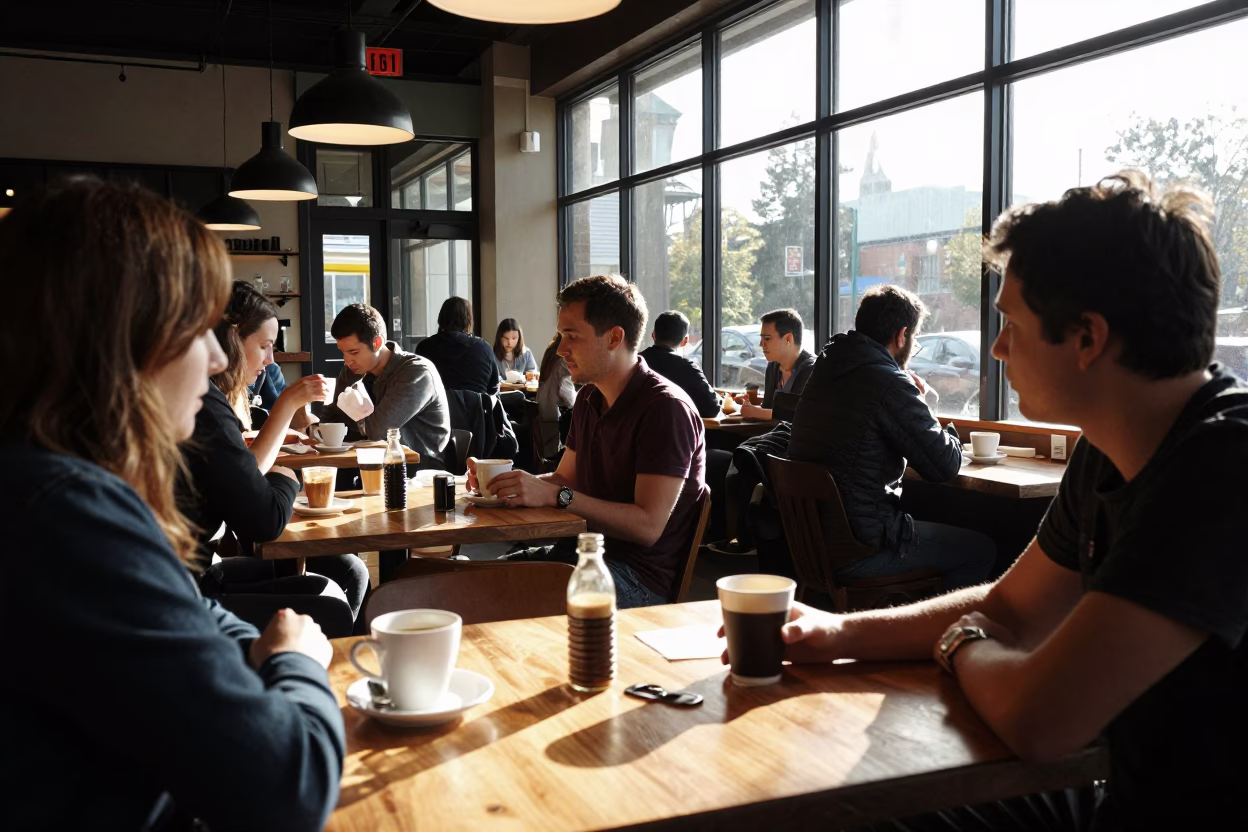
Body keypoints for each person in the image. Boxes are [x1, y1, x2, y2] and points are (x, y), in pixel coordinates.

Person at [774, 172, 1248, 830]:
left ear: (1087, 337)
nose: (995, 350)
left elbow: (1040, 719)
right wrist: (835, 634)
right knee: (838, 802)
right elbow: (1010, 610)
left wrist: (962, 643)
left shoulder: (1221, 468)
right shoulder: (1108, 448)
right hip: (1129, 792)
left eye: (1011, 327)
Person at [0, 178, 343, 830]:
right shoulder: (65, 515)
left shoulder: (56, 483)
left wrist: (257, 652)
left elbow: (195, 612)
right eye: (197, 329)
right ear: (122, 341)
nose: (217, 357)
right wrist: (297, 661)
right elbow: (288, 786)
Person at [473, 275, 708, 608]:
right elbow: (564, 481)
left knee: (488, 602)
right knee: (460, 586)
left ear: (614, 338)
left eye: (571, 336)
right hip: (578, 554)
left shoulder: (665, 409)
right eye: (560, 336)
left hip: (635, 579)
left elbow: (647, 525)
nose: (559, 349)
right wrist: (506, 487)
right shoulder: (589, 400)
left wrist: (555, 494)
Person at [180, 281, 370, 622]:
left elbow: (245, 476)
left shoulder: (210, 400)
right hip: (190, 585)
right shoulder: (203, 404)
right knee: (332, 606)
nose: (270, 359)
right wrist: (287, 477)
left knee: (349, 571)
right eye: (266, 346)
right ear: (232, 339)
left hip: (201, 570)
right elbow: (263, 521)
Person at [788, 285, 995, 591]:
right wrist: (927, 405)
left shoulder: (824, 369)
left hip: (812, 543)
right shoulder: (886, 380)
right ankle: (932, 635)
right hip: (862, 548)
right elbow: (945, 466)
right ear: (902, 335)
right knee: (980, 551)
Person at [318, 303, 450, 468]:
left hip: (417, 466)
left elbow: (378, 432)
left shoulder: (416, 372)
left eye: (353, 352)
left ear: (377, 342)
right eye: (342, 352)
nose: (347, 361)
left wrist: (352, 419)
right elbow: (334, 419)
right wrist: (316, 426)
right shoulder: (351, 371)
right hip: (366, 461)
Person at [639, 310, 722, 419]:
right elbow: (711, 408)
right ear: (685, 340)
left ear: (653, 335)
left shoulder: (636, 362)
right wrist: (720, 398)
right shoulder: (688, 368)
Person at [739, 308, 816, 421]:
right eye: (761, 338)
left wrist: (755, 412)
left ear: (788, 339)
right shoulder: (773, 366)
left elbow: (800, 415)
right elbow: (768, 406)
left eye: (767, 338)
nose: (761, 344)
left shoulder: (811, 369)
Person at [415, 296, 500, 396]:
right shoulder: (483, 348)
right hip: (475, 410)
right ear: (468, 320)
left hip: (436, 410)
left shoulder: (424, 347)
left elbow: (418, 385)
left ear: (441, 317)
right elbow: (493, 389)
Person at [536, 332, 576, 460]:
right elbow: (570, 399)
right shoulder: (564, 360)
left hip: (542, 415)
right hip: (553, 425)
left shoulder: (551, 351)